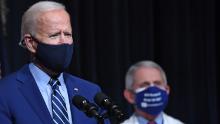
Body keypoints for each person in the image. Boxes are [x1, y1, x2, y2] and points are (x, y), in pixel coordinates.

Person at [0, 1, 109, 124]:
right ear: (30, 43)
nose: (64, 42)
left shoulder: (91, 92)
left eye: (68, 34)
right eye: (54, 35)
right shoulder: (5, 92)